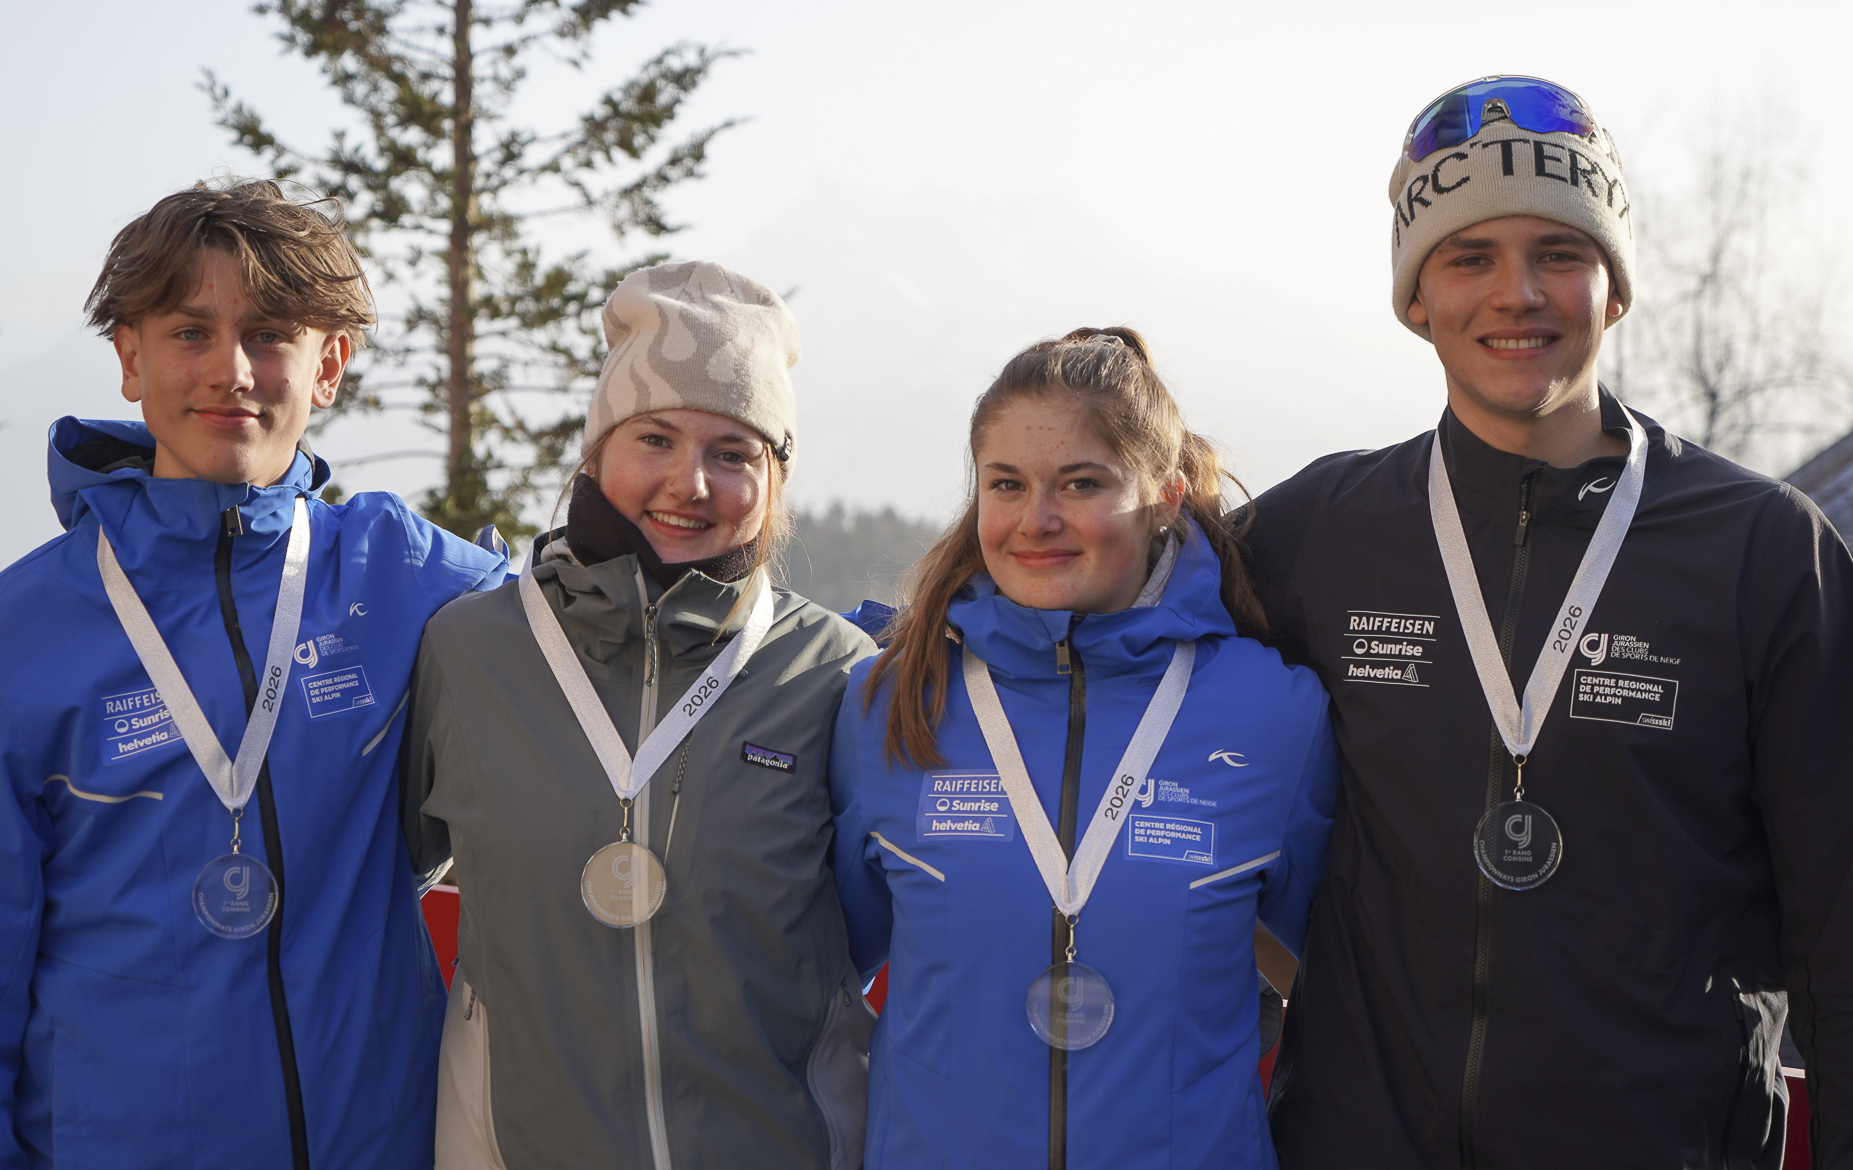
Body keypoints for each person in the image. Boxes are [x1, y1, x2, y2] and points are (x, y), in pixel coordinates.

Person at [1247, 76, 1853, 1168]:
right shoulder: (1310, 537)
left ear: (1613, 290)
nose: (1515, 295)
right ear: (1415, 297)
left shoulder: (1765, 553)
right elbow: (1106, 658)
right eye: (1469, 257)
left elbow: (1841, 926)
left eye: (1560, 254)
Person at [0, 180, 507, 1169]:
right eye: (190, 332)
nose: (231, 371)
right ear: (130, 359)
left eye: (270, 334)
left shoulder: (403, 577)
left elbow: (597, 648)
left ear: (329, 365)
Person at [402, 261, 881, 1170]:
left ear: (774, 480)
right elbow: (390, 875)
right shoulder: (469, 652)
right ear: (596, 453)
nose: (689, 483)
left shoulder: (834, 672)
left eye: (733, 453)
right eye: (654, 438)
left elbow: (874, 926)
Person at [829, 329, 1336, 1170]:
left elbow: (1344, 986)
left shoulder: (1275, 715)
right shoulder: (889, 702)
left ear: (1166, 497)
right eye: (1007, 484)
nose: (1037, 520)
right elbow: (818, 978)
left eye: (1081, 483)